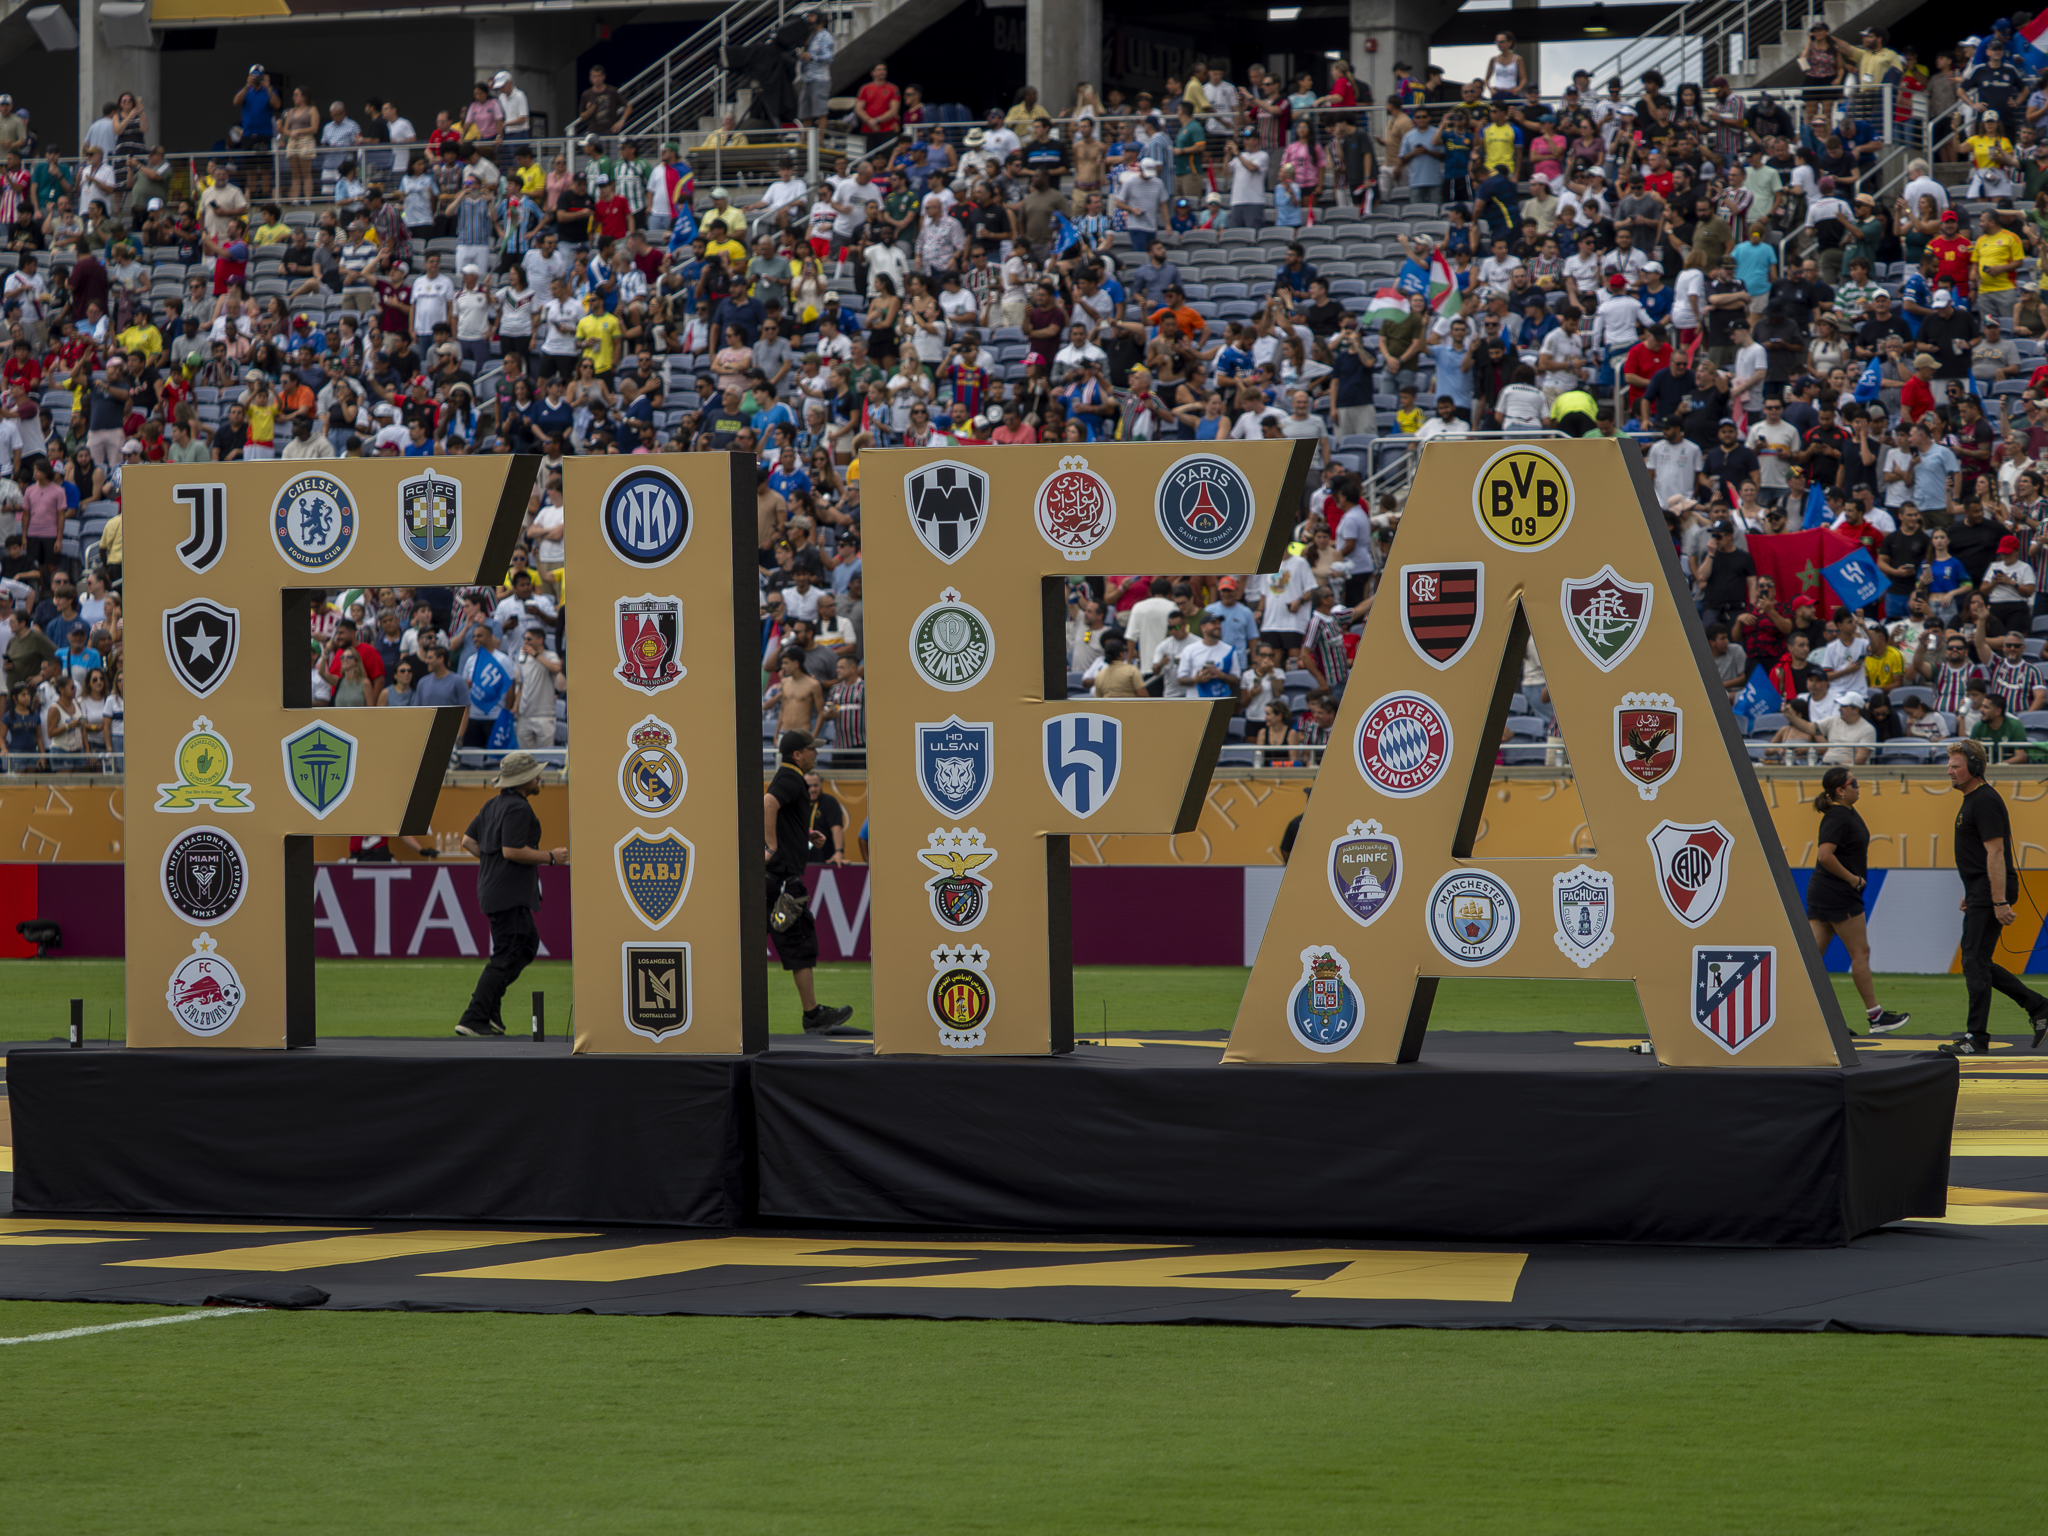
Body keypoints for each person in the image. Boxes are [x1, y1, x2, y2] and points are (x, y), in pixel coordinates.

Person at [1943, 739, 2048, 1056]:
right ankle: (2038, 1007)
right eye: (1949, 765)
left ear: (1975, 767)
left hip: (1990, 891)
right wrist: (1971, 892)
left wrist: (1998, 900)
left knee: (1973, 961)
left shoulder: (1984, 800)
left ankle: (1977, 1037)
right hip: (1981, 890)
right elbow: (1978, 855)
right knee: (1977, 960)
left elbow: (1996, 852)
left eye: (1956, 766)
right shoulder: (1973, 800)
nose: (1949, 771)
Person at [454, 750, 563, 1038]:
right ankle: (474, 1016)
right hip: (509, 893)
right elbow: (512, 850)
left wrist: (494, 863)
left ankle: (491, 1008)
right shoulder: (519, 808)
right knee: (507, 954)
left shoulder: (492, 804)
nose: (539, 777)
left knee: (527, 945)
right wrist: (551, 857)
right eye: (534, 774)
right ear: (523, 780)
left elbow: (468, 841)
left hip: (496, 890)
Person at [764, 730, 863, 1036]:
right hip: (783, 881)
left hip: (773, 879)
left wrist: (804, 834)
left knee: (752, 946)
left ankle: (737, 1016)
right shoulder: (792, 777)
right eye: (811, 749)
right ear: (797, 754)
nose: (816, 753)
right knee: (800, 943)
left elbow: (778, 813)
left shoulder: (789, 777)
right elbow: (768, 804)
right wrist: (770, 846)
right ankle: (812, 1015)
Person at [1805, 766, 1910, 1036]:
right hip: (1838, 894)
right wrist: (1852, 879)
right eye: (1853, 783)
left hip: (1825, 892)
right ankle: (1876, 1017)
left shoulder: (1844, 812)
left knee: (1809, 960)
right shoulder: (1838, 815)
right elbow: (1825, 855)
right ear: (1840, 790)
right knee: (1860, 953)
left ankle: (1806, 1018)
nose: (1858, 785)